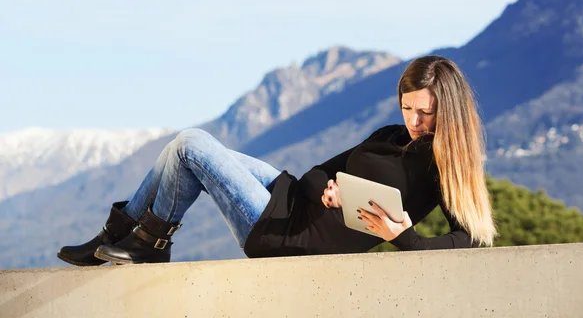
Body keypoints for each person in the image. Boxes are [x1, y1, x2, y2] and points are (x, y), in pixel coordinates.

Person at [58, 55, 497, 265]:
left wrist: (405, 238)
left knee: (192, 143)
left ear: (449, 107)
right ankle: (130, 238)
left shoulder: (445, 166)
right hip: (290, 199)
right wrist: (330, 190)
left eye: (426, 111)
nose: (414, 120)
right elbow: (316, 173)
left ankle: (143, 239)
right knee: (179, 149)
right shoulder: (388, 135)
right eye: (407, 107)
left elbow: (473, 240)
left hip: (290, 237)